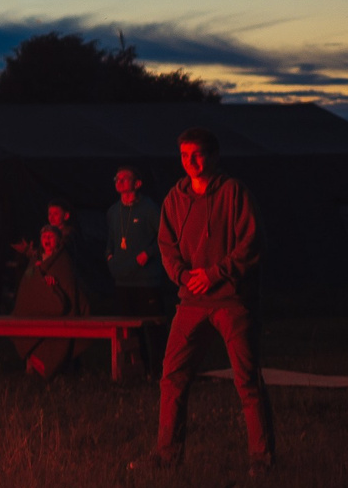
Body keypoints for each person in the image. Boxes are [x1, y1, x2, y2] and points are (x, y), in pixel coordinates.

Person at [142, 128, 275, 469]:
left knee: (246, 380)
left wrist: (215, 274)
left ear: (214, 156)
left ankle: (262, 458)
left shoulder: (234, 193)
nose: (191, 162)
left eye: (198, 154)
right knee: (172, 377)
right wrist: (184, 276)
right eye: (185, 155)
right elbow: (166, 244)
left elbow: (251, 242)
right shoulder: (175, 197)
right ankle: (167, 455)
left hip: (231, 300)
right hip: (190, 301)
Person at [11, 206, 89, 379]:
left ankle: (56, 367)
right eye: (44, 237)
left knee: (57, 335)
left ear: (58, 240)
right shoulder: (36, 260)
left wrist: (53, 287)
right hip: (36, 310)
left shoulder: (63, 260)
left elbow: (68, 287)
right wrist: (39, 280)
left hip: (60, 312)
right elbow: (28, 284)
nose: (47, 240)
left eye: (51, 237)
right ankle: (32, 365)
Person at [106, 165, 172, 362]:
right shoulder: (113, 211)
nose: (120, 181)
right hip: (123, 279)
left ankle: (161, 367)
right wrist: (109, 256)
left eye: (125, 178)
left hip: (146, 280)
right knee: (130, 329)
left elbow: (165, 236)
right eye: (117, 178)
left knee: (154, 326)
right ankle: (138, 368)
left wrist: (149, 253)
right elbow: (111, 237)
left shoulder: (149, 209)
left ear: (138, 183)